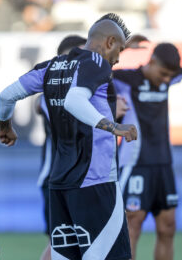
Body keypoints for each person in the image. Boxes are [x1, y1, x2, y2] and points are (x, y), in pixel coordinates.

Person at [0, 13, 137, 260]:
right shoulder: (96, 62)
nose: (118, 58)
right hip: (97, 181)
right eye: (120, 49)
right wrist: (112, 127)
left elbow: (6, 96)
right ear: (109, 42)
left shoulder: (51, 66)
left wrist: (5, 125)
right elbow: (74, 100)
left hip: (59, 184)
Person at [114, 33, 182, 260]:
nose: (167, 80)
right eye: (163, 74)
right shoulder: (124, 80)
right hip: (134, 164)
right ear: (151, 62)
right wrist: (121, 49)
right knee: (132, 224)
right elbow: (95, 71)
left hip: (163, 164)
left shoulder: (166, 80)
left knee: (168, 227)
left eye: (171, 76)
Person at [36, 34, 130, 260]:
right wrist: (107, 113)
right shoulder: (51, 94)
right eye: (78, 55)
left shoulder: (87, 88)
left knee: (76, 247)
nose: (84, 61)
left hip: (84, 177)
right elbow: (67, 113)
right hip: (61, 178)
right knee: (64, 246)